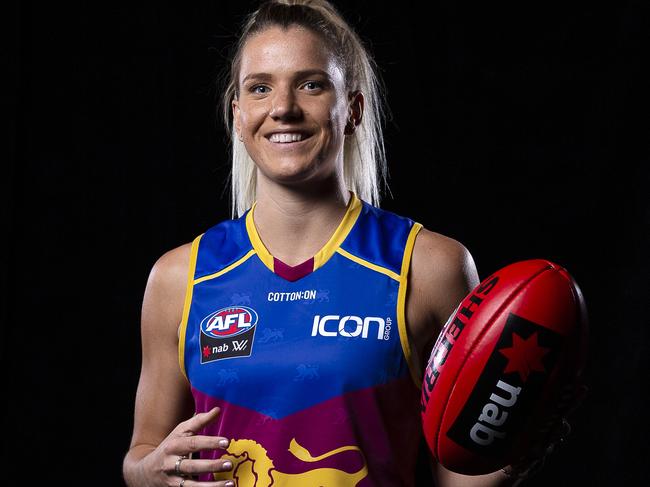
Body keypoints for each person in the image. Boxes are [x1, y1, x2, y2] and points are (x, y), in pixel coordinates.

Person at [122, 1, 574, 486]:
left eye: (311, 84)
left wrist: (513, 450)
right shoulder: (180, 278)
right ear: (238, 114)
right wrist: (150, 470)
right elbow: (140, 454)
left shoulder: (427, 266)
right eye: (260, 88)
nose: (283, 108)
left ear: (352, 110)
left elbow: (457, 474)